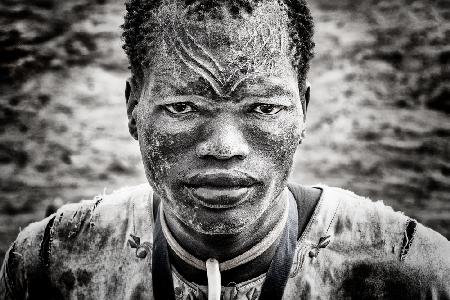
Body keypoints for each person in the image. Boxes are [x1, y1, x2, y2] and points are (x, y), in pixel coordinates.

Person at [1, 0, 449, 299]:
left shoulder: (410, 269)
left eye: (264, 107)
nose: (224, 147)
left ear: (304, 109)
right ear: (133, 108)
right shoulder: (50, 260)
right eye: (183, 107)